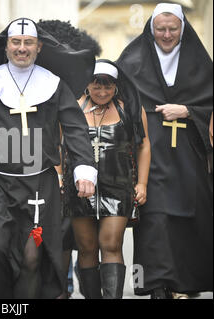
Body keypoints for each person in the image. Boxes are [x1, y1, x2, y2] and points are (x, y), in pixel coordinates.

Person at [0, 18, 97, 299]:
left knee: (32, 258)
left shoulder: (53, 85)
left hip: (40, 186)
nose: (22, 48)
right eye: (16, 42)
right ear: (7, 46)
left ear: (39, 47)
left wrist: (84, 169)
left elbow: (75, 127)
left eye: (28, 43)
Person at [117, 3, 213, 299]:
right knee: (153, 220)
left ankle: (186, 285)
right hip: (150, 158)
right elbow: (117, 103)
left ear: (183, 29)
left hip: (190, 158)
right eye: (161, 29)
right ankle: (155, 284)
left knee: (189, 219)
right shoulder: (132, 61)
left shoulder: (201, 63)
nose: (167, 34)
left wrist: (187, 110)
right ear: (150, 29)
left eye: (173, 29)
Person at [63, 60, 150, 299]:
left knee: (111, 244)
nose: (102, 92)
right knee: (87, 248)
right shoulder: (72, 108)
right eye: (96, 86)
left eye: (108, 86)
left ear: (116, 86)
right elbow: (57, 144)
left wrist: (141, 183)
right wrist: (60, 177)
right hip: (80, 188)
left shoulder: (130, 109)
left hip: (118, 186)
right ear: (87, 85)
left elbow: (143, 146)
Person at [36, 19, 102, 298]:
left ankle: (67, 285)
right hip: (46, 168)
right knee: (55, 236)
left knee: (75, 237)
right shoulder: (39, 84)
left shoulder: (75, 89)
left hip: (75, 169)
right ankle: (58, 286)